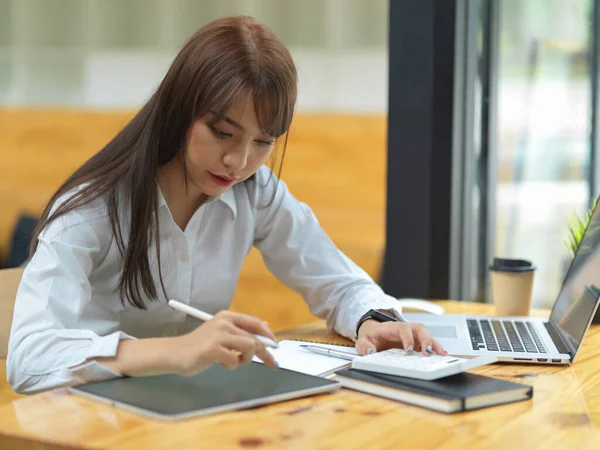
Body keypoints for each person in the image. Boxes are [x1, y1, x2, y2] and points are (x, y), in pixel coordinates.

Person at [7, 16, 446, 395]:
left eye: (262, 142)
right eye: (221, 132)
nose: (239, 162)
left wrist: (371, 319)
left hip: (187, 410)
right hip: (86, 419)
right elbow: (28, 358)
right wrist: (172, 351)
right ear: (179, 110)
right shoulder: (92, 209)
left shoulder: (254, 191)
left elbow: (338, 282)